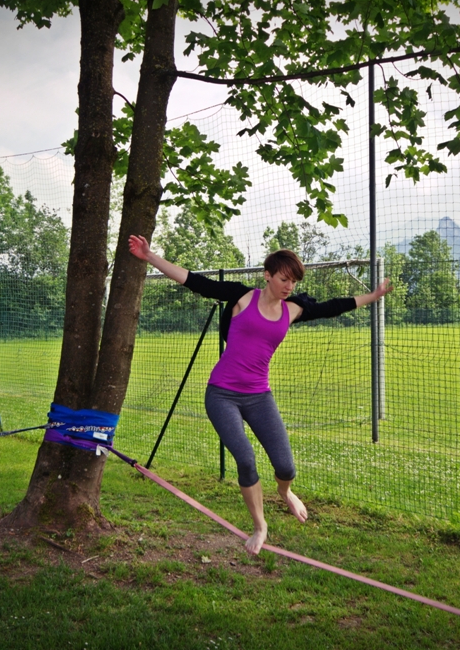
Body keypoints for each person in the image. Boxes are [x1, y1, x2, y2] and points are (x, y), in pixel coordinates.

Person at [128, 234, 391, 555]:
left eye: (293, 281)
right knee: (247, 460)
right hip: (222, 395)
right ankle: (259, 526)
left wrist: (374, 295)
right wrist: (150, 256)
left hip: (259, 397)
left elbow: (332, 307)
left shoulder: (293, 310)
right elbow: (194, 281)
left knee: (286, 467)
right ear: (267, 275)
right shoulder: (241, 298)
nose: (289, 286)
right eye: (283, 278)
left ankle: (285, 493)